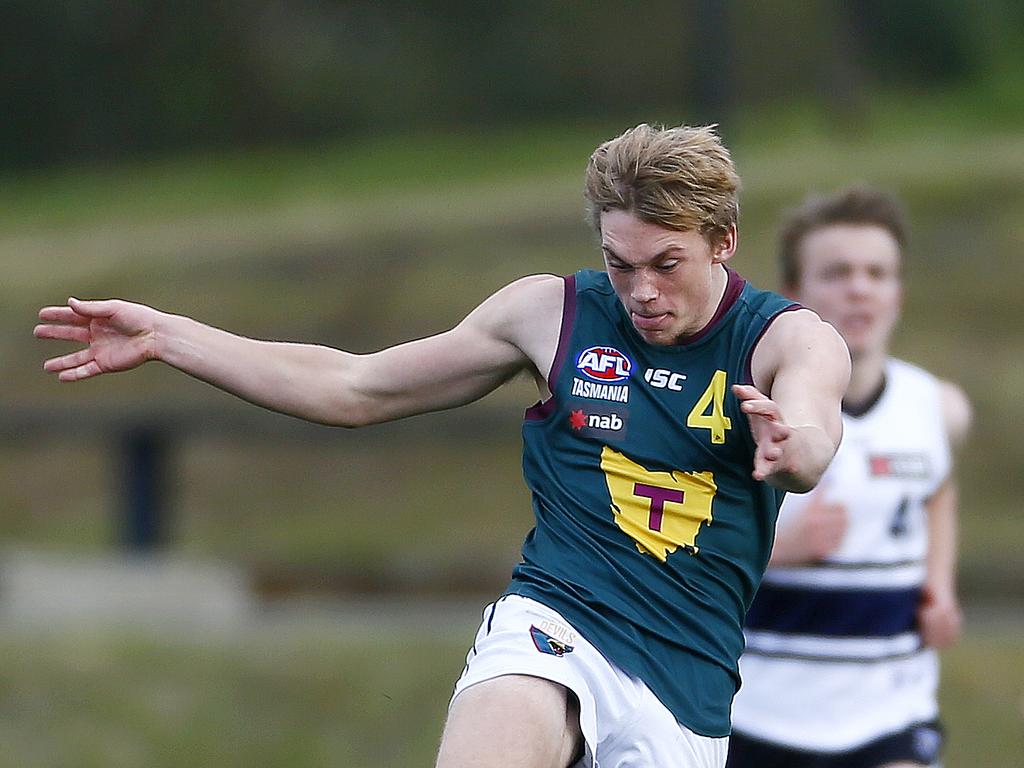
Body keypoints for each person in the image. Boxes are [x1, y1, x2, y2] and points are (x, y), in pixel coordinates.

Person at [34, 124, 850, 768]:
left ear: (724, 240)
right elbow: (355, 387)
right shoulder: (550, 314)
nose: (640, 290)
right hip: (558, 621)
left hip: (686, 679)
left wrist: (793, 442)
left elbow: (814, 437)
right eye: (619, 262)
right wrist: (169, 337)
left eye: (665, 264)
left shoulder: (786, 339)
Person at [727, 187, 972, 768]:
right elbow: (678, 546)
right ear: (794, 296)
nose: (859, 288)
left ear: (898, 293)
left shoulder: (939, 408)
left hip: (890, 715)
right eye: (837, 273)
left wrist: (939, 583)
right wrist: (785, 551)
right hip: (756, 714)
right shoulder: (746, 412)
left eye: (877, 273)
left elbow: (939, 491)